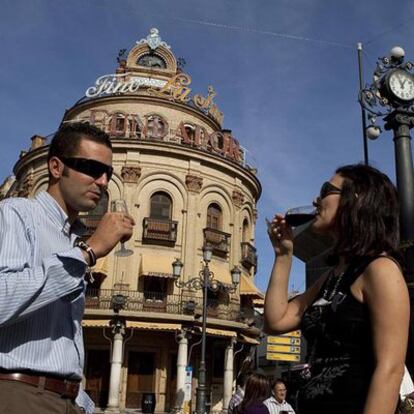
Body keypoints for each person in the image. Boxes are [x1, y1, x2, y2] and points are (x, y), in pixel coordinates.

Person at [0, 122, 134, 414]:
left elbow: (61, 341)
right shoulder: (16, 215)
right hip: (19, 393)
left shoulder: (71, 237)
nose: (102, 181)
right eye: (90, 168)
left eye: (107, 173)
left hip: (65, 399)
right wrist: (88, 252)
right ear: (56, 167)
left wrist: (80, 400)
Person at [264, 164, 409, 414]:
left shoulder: (380, 270)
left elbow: (390, 369)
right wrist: (283, 256)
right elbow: (276, 320)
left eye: (326, 190)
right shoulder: (331, 277)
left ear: (356, 199)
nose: (315, 199)